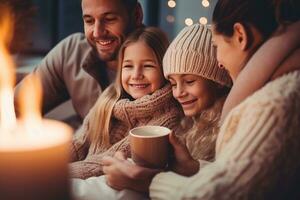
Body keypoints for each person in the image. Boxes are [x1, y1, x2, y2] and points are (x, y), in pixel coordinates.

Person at [101, 0, 300, 199]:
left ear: (240, 36)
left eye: (217, 45)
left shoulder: (273, 103)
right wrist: (193, 168)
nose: (219, 61)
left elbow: (217, 194)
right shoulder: (271, 91)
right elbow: (235, 176)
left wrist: (145, 180)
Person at [71, 24, 231, 200]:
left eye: (190, 81)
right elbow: (79, 142)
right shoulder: (108, 100)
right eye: (173, 83)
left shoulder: (172, 122)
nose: (178, 93)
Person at [69, 27, 183, 180]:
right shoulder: (108, 100)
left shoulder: (167, 120)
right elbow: (78, 143)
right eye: (128, 66)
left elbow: (104, 164)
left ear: (164, 70)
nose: (136, 75)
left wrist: (54, 173)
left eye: (148, 66)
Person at [14, 0, 143, 123]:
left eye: (109, 19)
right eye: (89, 21)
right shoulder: (72, 53)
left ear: (137, 15)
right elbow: (14, 106)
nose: (97, 33)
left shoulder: (161, 65)